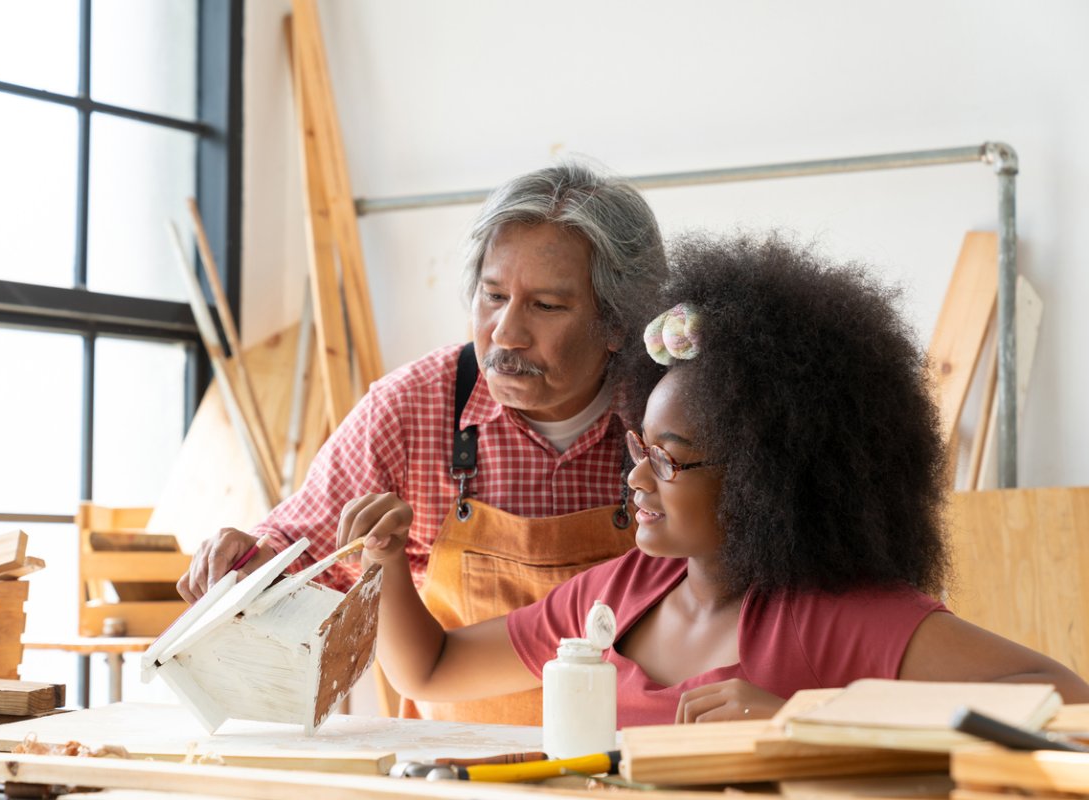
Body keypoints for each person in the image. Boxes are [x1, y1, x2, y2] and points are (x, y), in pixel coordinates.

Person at [344, 232, 1089, 726]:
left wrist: (808, 721)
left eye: (668, 457)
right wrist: (385, 567)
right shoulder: (619, 593)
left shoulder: (835, 617)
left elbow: (1067, 705)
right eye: (640, 444)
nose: (637, 475)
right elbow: (433, 670)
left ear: (765, 480)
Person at [177, 159, 668, 723]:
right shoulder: (414, 408)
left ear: (618, 325)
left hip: (631, 764)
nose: (505, 333)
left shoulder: (667, 415)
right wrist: (248, 564)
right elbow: (303, 555)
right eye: (492, 297)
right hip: (453, 765)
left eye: (546, 306)